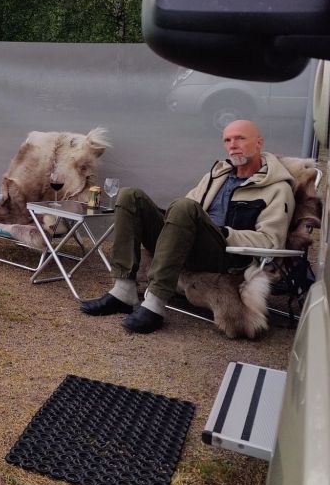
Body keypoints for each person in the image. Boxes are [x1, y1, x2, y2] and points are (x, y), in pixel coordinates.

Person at [80, 120, 295, 333]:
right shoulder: (217, 175)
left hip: (227, 257)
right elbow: (184, 212)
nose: (232, 145)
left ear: (258, 143)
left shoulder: (277, 188)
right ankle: (123, 290)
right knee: (130, 196)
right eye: (227, 140)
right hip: (188, 246)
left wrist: (225, 233)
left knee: (184, 206)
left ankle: (155, 302)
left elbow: (271, 241)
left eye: (240, 138)